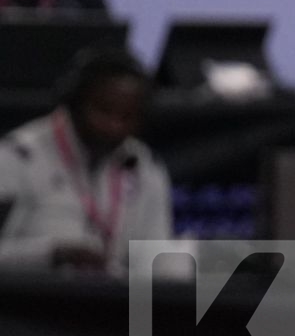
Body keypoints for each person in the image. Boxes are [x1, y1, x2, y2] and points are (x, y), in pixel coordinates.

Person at [0, 47, 170, 274]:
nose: (114, 126)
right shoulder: (17, 157)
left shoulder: (145, 166)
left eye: (127, 117)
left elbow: (159, 265)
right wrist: (51, 254)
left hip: (113, 303)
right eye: (103, 111)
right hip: (24, 303)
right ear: (74, 102)